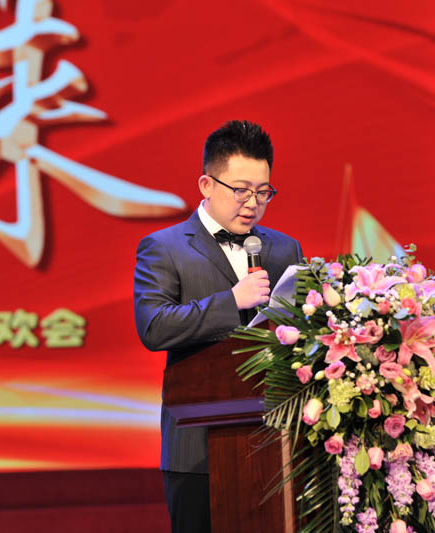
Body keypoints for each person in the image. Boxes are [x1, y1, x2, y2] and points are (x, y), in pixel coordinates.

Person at [133, 120, 302, 533]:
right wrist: (232, 301)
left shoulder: (285, 248)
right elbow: (153, 326)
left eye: (263, 192)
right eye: (241, 190)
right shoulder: (165, 248)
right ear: (207, 185)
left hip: (276, 442)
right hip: (197, 451)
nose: (253, 203)